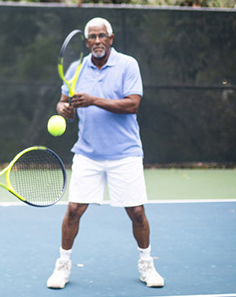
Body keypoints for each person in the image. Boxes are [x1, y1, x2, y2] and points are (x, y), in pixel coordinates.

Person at [46, 17, 164, 289]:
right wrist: (63, 109)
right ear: (86, 43)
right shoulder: (76, 69)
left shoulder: (127, 65)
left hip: (125, 153)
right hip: (87, 153)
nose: (97, 41)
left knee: (136, 212)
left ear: (111, 39)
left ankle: (147, 265)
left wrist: (93, 100)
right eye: (92, 37)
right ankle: (62, 265)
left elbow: (132, 104)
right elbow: (64, 102)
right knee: (74, 210)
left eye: (102, 36)